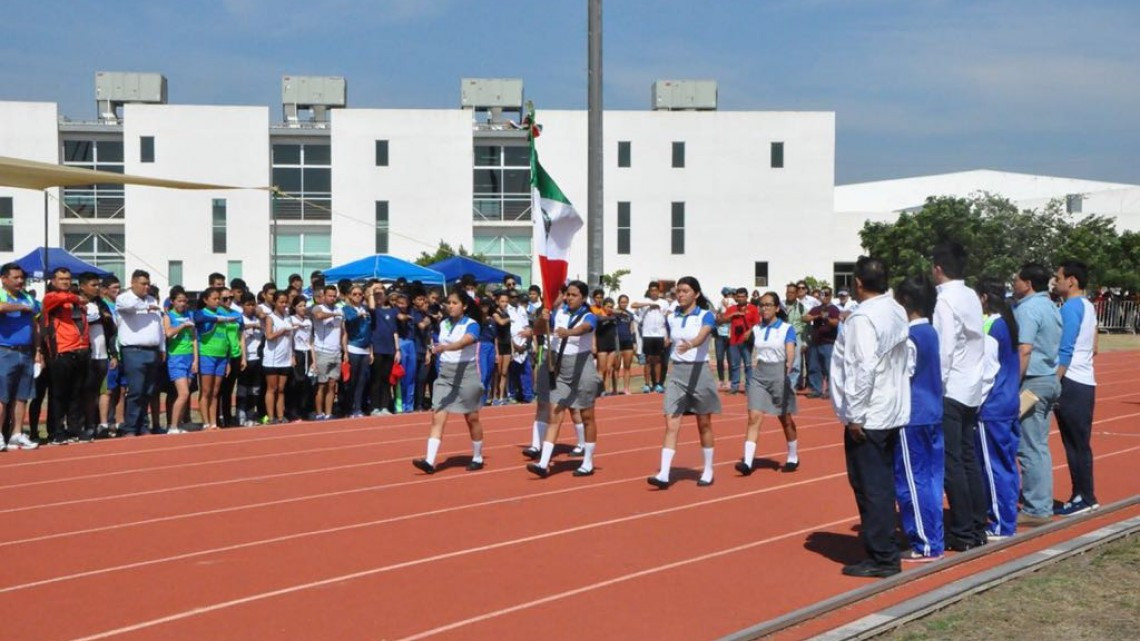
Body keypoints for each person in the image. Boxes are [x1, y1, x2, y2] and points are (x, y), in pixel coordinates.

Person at [830, 257, 910, 578]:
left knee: (869, 485)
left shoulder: (862, 319)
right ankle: (884, 544)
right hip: (890, 408)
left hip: (871, 414)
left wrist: (856, 414)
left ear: (858, 283)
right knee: (881, 483)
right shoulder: (896, 309)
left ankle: (883, 556)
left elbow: (863, 368)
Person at [930, 241, 987, 551]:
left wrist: (934, 388)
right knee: (968, 458)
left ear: (938, 268)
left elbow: (944, 351)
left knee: (953, 462)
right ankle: (977, 524)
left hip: (952, 389)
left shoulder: (945, 302)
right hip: (972, 387)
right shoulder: (970, 296)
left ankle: (964, 531)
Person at [648, 276, 719, 488]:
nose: (680, 294)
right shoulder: (672, 317)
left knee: (703, 423)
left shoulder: (706, 315)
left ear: (696, 294)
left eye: (685, 291)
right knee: (671, 423)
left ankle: (707, 469)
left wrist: (692, 344)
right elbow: (669, 337)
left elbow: (703, 335)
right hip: (677, 373)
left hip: (700, 372)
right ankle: (664, 474)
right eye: (678, 291)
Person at [893, 275, 945, 562]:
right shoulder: (932, 332)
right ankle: (933, 535)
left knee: (912, 481)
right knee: (932, 478)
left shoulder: (911, 337)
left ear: (906, 302)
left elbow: (904, 374)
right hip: (933, 411)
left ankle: (924, 542)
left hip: (914, 415)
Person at [528, 280, 601, 478]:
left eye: (574, 295)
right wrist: (542, 319)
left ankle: (588, 462)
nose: (569, 298)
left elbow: (586, 327)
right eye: (567, 294)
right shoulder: (559, 313)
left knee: (587, 416)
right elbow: (539, 330)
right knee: (555, 413)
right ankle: (543, 463)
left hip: (582, 367)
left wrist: (569, 332)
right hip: (561, 369)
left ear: (583, 297)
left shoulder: (588, 315)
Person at [412, 292, 487, 474]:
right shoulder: (443, 323)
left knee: (472, 418)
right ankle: (429, 461)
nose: (450, 306)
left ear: (464, 306)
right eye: (449, 303)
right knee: (438, 415)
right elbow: (437, 342)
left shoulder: (472, 324)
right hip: (446, 374)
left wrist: (445, 347)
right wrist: (433, 349)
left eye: (455, 303)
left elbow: (465, 342)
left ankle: (477, 456)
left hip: (466, 373)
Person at [1012, 263, 1063, 527]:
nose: (1013, 283)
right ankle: (1040, 502)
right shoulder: (1050, 306)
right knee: (1039, 445)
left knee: (1028, 446)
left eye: (1016, 279)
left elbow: (1025, 349)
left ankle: (1037, 508)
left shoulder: (1029, 309)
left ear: (1028, 283)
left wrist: (1012, 383)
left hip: (1032, 381)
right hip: (1048, 379)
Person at [975, 278, 1021, 539]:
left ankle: (1000, 522)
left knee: (993, 466)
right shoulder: (1008, 322)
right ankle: (1006, 515)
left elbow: (987, 371)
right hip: (1008, 402)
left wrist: (975, 403)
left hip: (992, 406)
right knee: (1006, 463)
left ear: (983, 298)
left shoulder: (992, 325)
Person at [1052, 260, 1099, 515]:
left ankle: (1085, 495)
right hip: (1085, 380)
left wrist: (1055, 379)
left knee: (1075, 443)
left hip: (1072, 380)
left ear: (1071, 280)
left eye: (1058, 277)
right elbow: (1094, 345)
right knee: (1079, 443)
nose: (1055, 281)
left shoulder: (1070, 308)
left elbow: (1065, 349)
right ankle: (1082, 494)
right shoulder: (1088, 306)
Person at [736, 291, 799, 476]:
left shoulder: (787, 328)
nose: (764, 308)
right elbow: (744, 340)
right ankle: (747, 462)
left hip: (779, 373)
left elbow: (790, 348)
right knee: (754, 416)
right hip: (760, 375)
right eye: (761, 305)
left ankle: (793, 456)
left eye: (768, 305)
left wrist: (789, 363)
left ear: (777, 308)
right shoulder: (757, 329)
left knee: (785, 418)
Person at [0, 263, 41, 451]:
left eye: (21, 277)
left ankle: (16, 433)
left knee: (22, 395)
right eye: (15, 277)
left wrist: (38, 351)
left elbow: (35, 325)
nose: (20, 281)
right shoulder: (2, 295)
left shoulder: (28, 298)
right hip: (4, 351)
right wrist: (19, 307)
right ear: (4, 279)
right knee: (2, 396)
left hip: (25, 352)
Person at [193, 287, 239, 430]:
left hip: (222, 357)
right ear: (205, 300)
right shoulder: (201, 313)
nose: (217, 301)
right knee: (206, 391)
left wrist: (228, 360)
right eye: (214, 298)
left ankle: (214, 422)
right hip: (207, 355)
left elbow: (226, 337)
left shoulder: (222, 313)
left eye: (219, 298)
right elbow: (199, 318)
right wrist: (221, 318)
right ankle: (206, 422)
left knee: (215, 391)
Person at [163, 288, 197, 433]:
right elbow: (168, 333)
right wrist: (182, 325)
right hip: (176, 357)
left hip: (189, 356)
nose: (182, 304)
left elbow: (194, 338)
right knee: (183, 394)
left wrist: (196, 360)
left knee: (186, 394)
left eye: (184, 301)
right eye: (179, 301)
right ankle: (172, 426)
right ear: (172, 301)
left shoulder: (189, 315)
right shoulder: (168, 316)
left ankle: (179, 424)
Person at [311, 285, 345, 420]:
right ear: (323, 296)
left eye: (334, 296)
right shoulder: (318, 308)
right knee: (321, 385)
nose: (332, 298)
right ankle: (319, 413)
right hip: (322, 351)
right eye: (329, 296)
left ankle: (329, 413)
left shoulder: (340, 309)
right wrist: (333, 314)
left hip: (336, 352)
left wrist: (345, 351)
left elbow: (343, 331)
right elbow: (318, 316)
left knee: (332, 384)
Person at [719, 287, 760, 395]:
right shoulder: (732, 308)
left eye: (743, 296)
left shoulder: (753, 308)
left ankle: (749, 387)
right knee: (734, 365)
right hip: (734, 340)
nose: (741, 299)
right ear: (736, 297)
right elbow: (722, 320)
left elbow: (757, 323)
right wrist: (732, 315)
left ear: (747, 297)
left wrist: (749, 331)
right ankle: (734, 387)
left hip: (746, 341)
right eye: (739, 296)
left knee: (747, 364)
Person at [261, 291, 294, 424]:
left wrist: (292, 355)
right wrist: (281, 332)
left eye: (285, 302)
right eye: (281, 302)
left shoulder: (288, 317)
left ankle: (280, 416)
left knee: (281, 389)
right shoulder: (270, 318)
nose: (284, 305)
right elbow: (268, 336)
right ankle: (271, 416)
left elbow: (291, 339)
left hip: (285, 358)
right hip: (272, 359)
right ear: (275, 302)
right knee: (272, 388)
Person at [367, 284, 399, 416]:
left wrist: (397, 350)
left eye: (381, 294)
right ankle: (375, 406)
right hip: (377, 349)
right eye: (376, 295)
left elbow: (395, 331)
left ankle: (385, 406)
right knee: (376, 379)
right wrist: (373, 289)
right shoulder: (373, 311)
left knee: (386, 379)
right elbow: (372, 306)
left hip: (390, 349)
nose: (379, 297)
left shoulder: (392, 311)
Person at [341, 285, 373, 418]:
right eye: (355, 294)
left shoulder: (365, 309)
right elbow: (349, 322)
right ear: (349, 296)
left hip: (365, 349)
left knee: (362, 380)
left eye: (360, 294)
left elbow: (370, 330)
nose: (358, 296)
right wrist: (346, 352)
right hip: (353, 347)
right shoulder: (347, 309)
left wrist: (371, 351)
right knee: (351, 380)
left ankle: (358, 408)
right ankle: (349, 407)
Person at [632, 282, 668, 393]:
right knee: (647, 360)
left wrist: (667, 336)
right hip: (647, 335)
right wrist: (647, 305)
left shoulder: (664, 302)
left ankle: (657, 384)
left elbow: (666, 318)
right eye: (652, 290)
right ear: (649, 291)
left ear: (659, 291)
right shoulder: (644, 301)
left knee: (657, 360)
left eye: (656, 290)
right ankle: (647, 384)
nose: (654, 292)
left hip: (659, 335)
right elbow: (633, 305)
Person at [803, 287, 839, 399]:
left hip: (828, 343)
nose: (824, 297)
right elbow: (804, 318)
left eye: (827, 294)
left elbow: (836, 323)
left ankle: (829, 390)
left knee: (828, 368)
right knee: (814, 367)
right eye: (822, 294)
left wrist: (827, 318)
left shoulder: (834, 309)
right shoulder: (816, 308)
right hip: (815, 342)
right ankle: (816, 389)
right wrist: (817, 316)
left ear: (831, 295)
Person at [237, 293, 265, 426]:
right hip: (245, 358)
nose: (251, 307)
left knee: (255, 389)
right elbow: (238, 332)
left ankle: (250, 414)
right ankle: (240, 414)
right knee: (243, 388)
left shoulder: (259, 318)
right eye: (247, 305)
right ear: (242, 306)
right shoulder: (239, 318)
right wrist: (251, 326)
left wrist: (259, 319)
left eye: (253, 304)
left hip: (257, 357)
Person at [286, 295, 315, 421]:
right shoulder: (291, 320)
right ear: (294, 307)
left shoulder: (309, 321)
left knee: (307, 384)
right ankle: (293, 411)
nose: (303, 308)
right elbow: (289, 339)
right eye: (300, 306)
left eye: (304, 305)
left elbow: (311, 341)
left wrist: (314, 360)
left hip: (307, 352)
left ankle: (304, 410)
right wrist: (292, 355)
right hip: (296, 352)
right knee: (296, 383)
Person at [784, 282, 808, 391]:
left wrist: (804, 342)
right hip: (781, 338)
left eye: (792, 292)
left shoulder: (802, 308)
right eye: (788, 292)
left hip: (796, 337)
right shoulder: (780, 306)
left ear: (796, 294)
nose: (789, 294)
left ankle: (791, 388)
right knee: (781, 363)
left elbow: (806, 326)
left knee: (796, 365)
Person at [491, 291, 513, 405]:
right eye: (502, 301)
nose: (505, 303)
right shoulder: (495, 314)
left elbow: (510, 332)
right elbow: (501, 322)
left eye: (506, 301)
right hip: (499, 344)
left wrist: (512, 348)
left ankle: (501, 396)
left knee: (504, 372)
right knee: (497, 372)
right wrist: (511, 318)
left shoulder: (508, 314)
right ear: (498, 302)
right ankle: (494, 395)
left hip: (507, 344)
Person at [614, 295, 636, 395]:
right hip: (617, 342)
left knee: (627, 366)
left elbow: (632, 328)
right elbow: (610, 311)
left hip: (628, 341)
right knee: (616, 366)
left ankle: (626, 388)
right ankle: (614, 389)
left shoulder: (630, 315)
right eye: (622, 302)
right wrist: (620, 312)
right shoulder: (615, 313)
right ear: (618, 302)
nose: (624, 304)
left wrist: (634, 342)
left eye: (625, 302)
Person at [714, 288, 733, 391]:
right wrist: (720, 316)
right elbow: (717, 316)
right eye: (727, 294)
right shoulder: (719, 302)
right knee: (719, 359)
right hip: (720, 335)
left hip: (730, 335)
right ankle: (721, 379)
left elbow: (732, 316)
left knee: (730, 359)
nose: (728, 296)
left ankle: (730, 380)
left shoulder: (734, 303)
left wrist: (725, 314)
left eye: (729, 294)